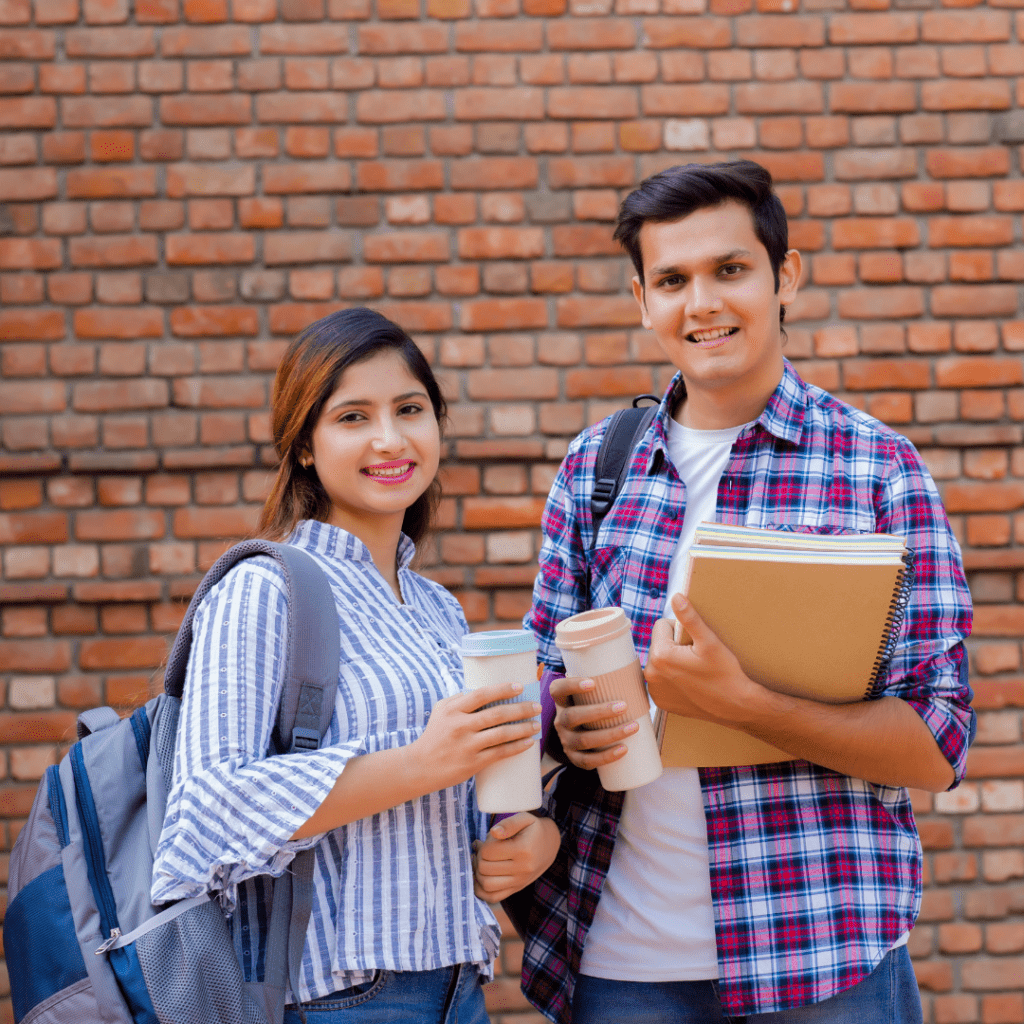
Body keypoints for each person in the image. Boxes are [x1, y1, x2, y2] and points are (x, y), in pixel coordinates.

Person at [508, 160, 974, 1023]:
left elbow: (936, 744)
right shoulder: (595, 469)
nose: (703, 305)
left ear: (783, 274)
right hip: (622, 965)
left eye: (730, 271)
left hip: (825, 959)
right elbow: (539, 695)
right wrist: (563, 728)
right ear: (642, 299)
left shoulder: (877, 471)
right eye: (673, 280)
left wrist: (746, 704)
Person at [151, 307, 559, 1023]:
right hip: (338, 999)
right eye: (352, 417)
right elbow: (205, 814)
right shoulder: (263, 589)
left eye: (410, 409)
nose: (389, 438)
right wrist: (423, 763)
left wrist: (526, 841)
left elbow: (442, 806)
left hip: (459, 989)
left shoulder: (437, 610)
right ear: (305, 445)